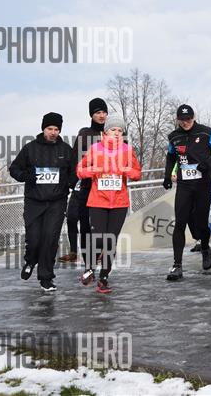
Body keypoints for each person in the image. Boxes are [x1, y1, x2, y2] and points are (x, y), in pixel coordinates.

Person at [9, 113, 76, 292]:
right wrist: (25, 176)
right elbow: (14, 168)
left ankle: (46, 278)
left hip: (57, 202)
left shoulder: (66, 150)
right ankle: (31, 260)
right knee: (34, 239)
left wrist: (69, 183)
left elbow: (75, 171)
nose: (53, 132)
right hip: (34, 201)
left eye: (56, 129)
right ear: (43, 129)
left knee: (50, 239)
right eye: (49, 128)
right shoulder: (30, 148)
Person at [77, 115, 142, 294]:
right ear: (106, 131)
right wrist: (94, 170)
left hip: (119, 203)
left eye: (120, 130)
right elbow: (80, 170)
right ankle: (90, 268)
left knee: (110, 241)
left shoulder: (127, 150)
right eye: (113, 129)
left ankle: (104, 277)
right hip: (98, 200)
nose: (116, 133)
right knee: (98, 238)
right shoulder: (95, 149)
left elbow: (137, 173)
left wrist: (126, 170)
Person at [162, 104, 211, 281]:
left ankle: (205, 248)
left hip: (203, 184)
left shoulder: (206, 132)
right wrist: (167, 176)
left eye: (188, 119)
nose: (185, 123)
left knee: (201, 223)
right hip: (184, 185)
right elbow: (171, 156)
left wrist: (208, 163)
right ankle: (177, 265)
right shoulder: (174, 136)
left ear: (193, 118)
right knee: (180, 222)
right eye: (182, 120)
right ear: (178, 120)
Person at [59, 98, 108, 264]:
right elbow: (75, 158)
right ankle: (75, 252)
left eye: (104, 112)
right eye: (98, 112)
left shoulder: (111, 133)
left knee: (98, 220)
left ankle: (99, 251)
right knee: (73, 217)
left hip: (103, 183)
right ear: (91, 115)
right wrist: (72, 182)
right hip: (83, 182)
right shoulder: (85, 133)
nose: (101, 115)